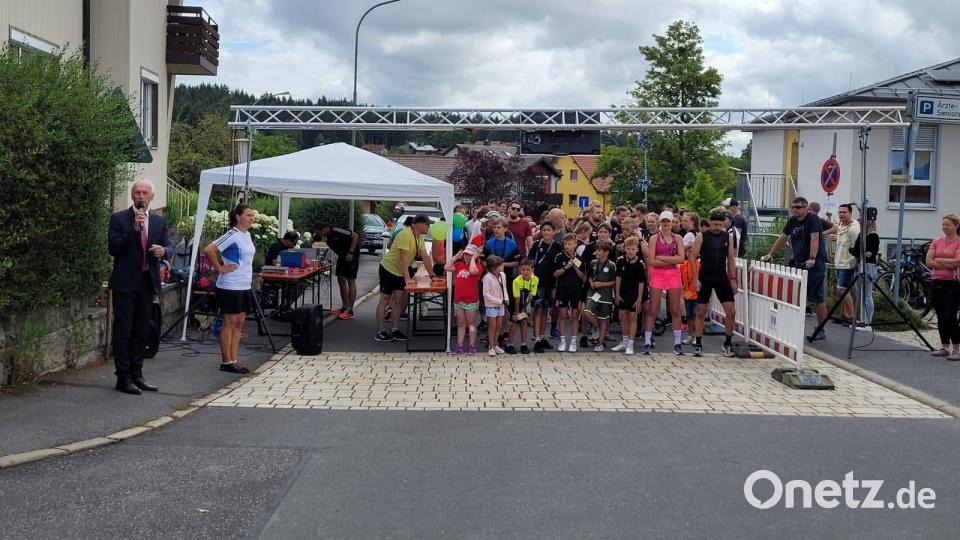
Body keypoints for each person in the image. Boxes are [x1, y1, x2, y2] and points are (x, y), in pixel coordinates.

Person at [107, 179, 173, 394]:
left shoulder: (158, 221)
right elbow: (114, 248)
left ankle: (137, 374)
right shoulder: (119, 218)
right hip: (125, 283)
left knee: (141, 330)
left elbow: (170, 246)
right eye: (137, 193)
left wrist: (164, 251)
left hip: (147, 281)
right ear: (132, 196)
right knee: (123, 330)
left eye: (145, 193)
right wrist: (134, 230)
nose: (141, 196)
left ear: (152, 197)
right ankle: (123, 377)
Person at [762, 197, 828, 340]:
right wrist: (770, 254)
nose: (795, 210)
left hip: (815, 265)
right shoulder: (792, 220)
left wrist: (812, 258)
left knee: (816, 297)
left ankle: (820, 329)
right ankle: (790, 327)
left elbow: (815, 238)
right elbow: (783, 237)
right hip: (798, 263)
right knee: (793, 293)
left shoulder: (812, 219)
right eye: (793, 207)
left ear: (806, 208)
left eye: (798, 207)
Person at [203, 204, 257, 374]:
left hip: (244, 284)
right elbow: (209, 249)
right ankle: (226, 361)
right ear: (238, 217)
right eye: (248, 215)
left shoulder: (247, 235)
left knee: (239, 323)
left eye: (252, 215)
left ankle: (234, 358)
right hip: (230, 285)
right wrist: (219, 267)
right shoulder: (232, 234)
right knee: (229, 322)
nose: (251, 218)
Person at [375, 215, 434, 342]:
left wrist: (432, 275)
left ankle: (394, 329)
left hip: (400, 272)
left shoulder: (419, 238)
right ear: (417, 224)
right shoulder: (405, 234)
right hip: (388, 269)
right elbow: (403, 259)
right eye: (426, 224)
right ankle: (380, 331)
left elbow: (425, 256)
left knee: (399, 300)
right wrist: (407, 279)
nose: (428, 227)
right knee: (385, 299)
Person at [689, 209, 738, 357]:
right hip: (705, 275)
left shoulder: (726, 237)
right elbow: (692, 258)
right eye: (715, 224)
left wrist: (733, 279)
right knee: (701, 311)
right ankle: (698, 344)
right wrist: (695, 279)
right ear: (710, 222)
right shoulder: (701, 236)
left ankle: (727, 344)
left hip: (721, 276)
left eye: (720, 225)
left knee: (731, 311)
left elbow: (730, 259)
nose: (717, 227)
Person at [643, 211, 687, 355]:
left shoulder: (678, 238)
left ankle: (677, 343)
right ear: (660, 222)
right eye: (664, 221)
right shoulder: (654, 238)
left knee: (675, 309)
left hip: (672, 273)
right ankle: (648, 341)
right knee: (653, 309)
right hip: (658, 273)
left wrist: (662, 258)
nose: (666, 224)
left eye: (668, 221)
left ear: (672, 222)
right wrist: (670, 259)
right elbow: (651, 260)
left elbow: (681, 258)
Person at [925, 215, 960, 360]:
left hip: (952, 283)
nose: (945, 227)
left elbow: (957, 262)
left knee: (950, 315)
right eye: (943, 224)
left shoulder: (958, 242)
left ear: (956, 226)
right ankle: (945, 347)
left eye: (948, 225)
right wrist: (946, 262)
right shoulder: (937, 241)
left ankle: (957, 350)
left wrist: (938, 260)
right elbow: (928, 262)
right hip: (936, 281)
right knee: (940, 315)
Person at [314, 223, 361, 320]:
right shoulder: (324, 236)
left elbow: (355, 236)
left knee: (350, 280)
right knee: (340, 278)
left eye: (319, 233)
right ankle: (344, 306)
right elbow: (314, 240)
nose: (319, 235)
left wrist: (351, 252)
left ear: (324, 229)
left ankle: (350, 310)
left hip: (351, 253)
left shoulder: (336, 230)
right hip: (342, 255)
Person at [484, 217, 519, 345]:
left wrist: (503, 265)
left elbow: (516, 262)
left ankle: (501, 333)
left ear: (505, 229)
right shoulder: (489, 243)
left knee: (503, 306)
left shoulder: (511, 243)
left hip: (506, 278)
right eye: (494, 227)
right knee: (492, 306)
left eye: (499, 227)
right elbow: (483, 260)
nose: (496, 230)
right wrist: (493, 268)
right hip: (491, 279)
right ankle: (491, 335)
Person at [528, 221, 561, 352]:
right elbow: (530, 262)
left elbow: (559, 265)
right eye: (544, 230)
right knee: (538, 310)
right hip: (537, 282)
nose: (546, 232)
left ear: (554, 232)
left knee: (546, 310)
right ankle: (536, 339)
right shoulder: (537, 245)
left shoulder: (558, 246)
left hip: (550, 282)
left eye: (549, 230)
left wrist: (556, 286)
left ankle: (541, 337)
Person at [612, 237, 646, 355]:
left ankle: (631, 343)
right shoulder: (621, 260)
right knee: (622, 317)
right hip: (622, 293)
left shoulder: (640, 264)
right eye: (628, 248)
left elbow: (641, 283)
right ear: (625, 249)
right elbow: (618, 278)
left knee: (632, 317)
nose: (630, 251)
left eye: (633, 249)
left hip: (634, 294)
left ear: (637, 249)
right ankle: (625, 340)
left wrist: (639, 299)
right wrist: (617, 294)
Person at [446, 244, 482, 355]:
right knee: (461, 324)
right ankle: (459, 345)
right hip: (459, 299)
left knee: (471, 324)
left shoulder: (478, 266)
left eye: (470, 254)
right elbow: (447, 267)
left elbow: (472, 271)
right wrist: (456, 257)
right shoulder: (458, 265)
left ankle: (472, 346)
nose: (467, 256)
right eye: (466, 254)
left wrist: (473, 259)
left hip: (471, 300)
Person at [553, 233, 585, 352]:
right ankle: (562, 341)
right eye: (565, 244)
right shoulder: (560, 257)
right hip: (562, 289)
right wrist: (566, 267)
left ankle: (573, 341)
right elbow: (555, 273)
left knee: (575, 315)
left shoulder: (579, 258)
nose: (567, 246)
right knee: (562, 315)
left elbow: (583, 277)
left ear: (575, 244)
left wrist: (575, 267)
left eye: (570, 244)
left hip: (576, 289)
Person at [583, 241, 617, 352]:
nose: (596, 252)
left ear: (606, 253)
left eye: (599, 251)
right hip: (593, 293)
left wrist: (602, 284)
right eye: (596, 250)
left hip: (606, 295)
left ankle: (600, 343)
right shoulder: (593, 263)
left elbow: (614, 282)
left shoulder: (611, 265)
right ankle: (596, 327)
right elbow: (589, 276)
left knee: (603, 319)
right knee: (586, 312)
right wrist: (592, 282)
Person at [832, 204, 860, 326]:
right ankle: (845, 314)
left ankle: (851, 316)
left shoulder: (853, 228)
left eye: (844, 212)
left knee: (842, 289)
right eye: (839, 212)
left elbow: (857, 246)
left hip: (847, 263)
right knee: (841, 291)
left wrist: (853, 261)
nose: (841, 214)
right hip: (839, 261)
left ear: (850, 213)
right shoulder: (841, 225)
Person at [849, 218, 879, 332]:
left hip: (868, 266)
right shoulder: (862, 234)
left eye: (862, 219)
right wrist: (858, 251)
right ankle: (862, 319)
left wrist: (857, 251)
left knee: (866, 294)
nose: (860, 221)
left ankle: (867, 323)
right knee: (860, 294)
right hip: (860, 264)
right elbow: (857, 250)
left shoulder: (873, 236)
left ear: (869, 221)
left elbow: (869, 253)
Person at [506, 259, 538, 354]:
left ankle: (523, 344)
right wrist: (517, 312)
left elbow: (531, 295)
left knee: (524, 321)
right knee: (515, 321)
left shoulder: (535, 279)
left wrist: (524, 309)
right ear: (520, 270)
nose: (525, 272)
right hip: (514, 302)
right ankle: (509, 345)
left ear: (532, 270)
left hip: (524, 303)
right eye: (523, 269)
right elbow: (517, 298)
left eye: (528, 270)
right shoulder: (516, 281)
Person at [482, 255, 509, 356]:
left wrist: (506, 299)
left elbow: (504, 288)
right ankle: (491, 346)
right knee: (492, 326)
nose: (502, 266)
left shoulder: (502, 275)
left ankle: (495, 344)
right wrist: (499, 301)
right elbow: (486, 294)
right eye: (500, 265)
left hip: (501, 305)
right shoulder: (487, 278)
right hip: (491, 305)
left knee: (498, 326)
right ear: (494, 268)